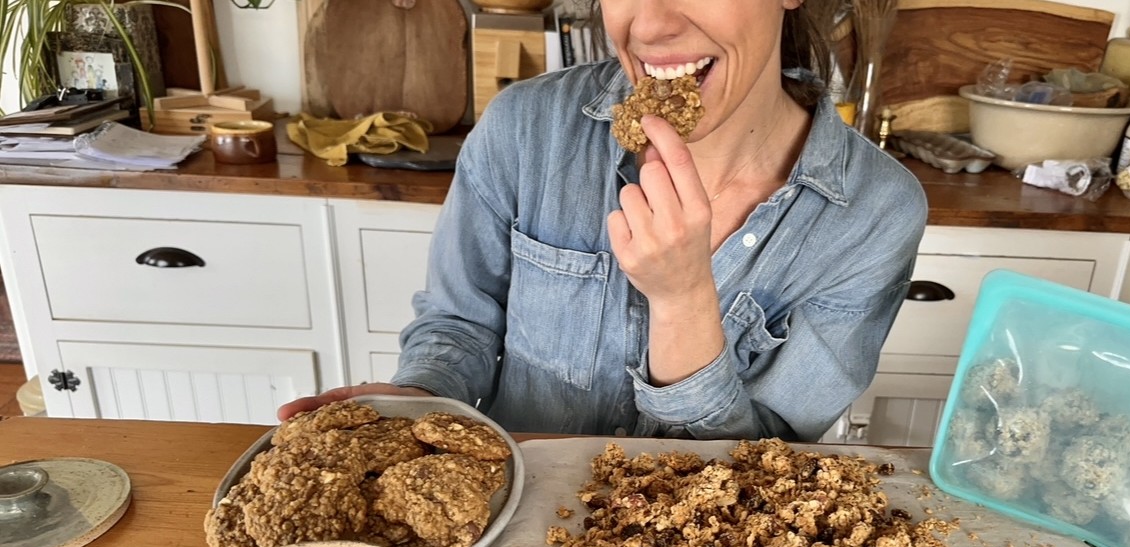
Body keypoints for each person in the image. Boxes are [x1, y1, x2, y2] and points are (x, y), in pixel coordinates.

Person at [279, 0, 927, 442]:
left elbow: (769, 472)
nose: (649, 25)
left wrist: (683, 304)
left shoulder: (874, 214)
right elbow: (460, 326)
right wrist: (418, 396)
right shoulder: (523, 130)